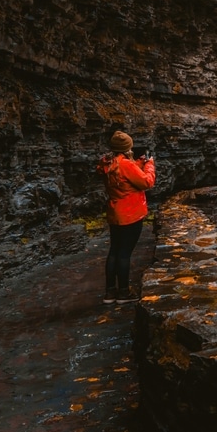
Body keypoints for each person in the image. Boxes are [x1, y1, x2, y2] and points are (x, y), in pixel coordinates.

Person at [96, 130, 156, 304]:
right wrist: (149, 164)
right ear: (127, 147)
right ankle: (123, 293)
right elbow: (147, 182)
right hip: (131, 214)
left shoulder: (107, 163)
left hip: (115, 212)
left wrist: (139, 162)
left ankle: (110, 292)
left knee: (114, 250)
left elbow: (124, 172)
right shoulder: (125, 165)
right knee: (124, 253)